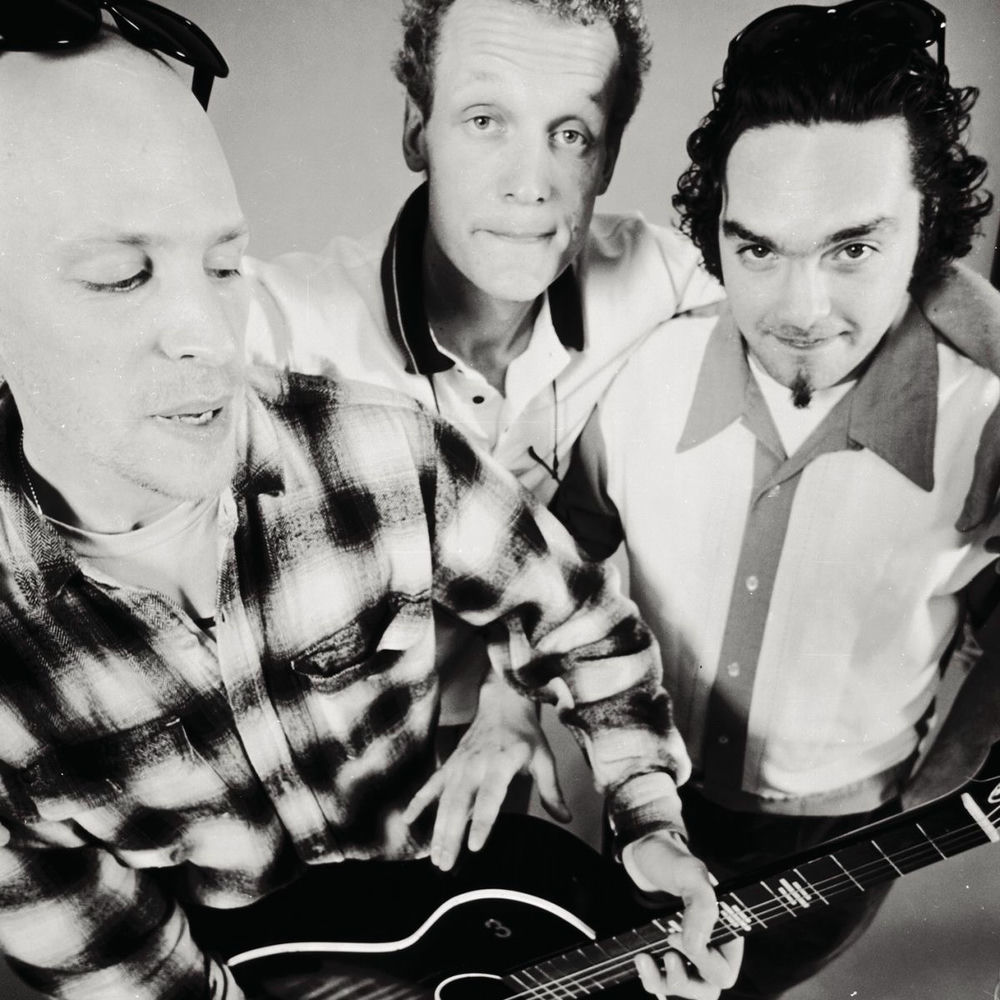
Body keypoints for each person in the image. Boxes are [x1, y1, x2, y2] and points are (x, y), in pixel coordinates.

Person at [0, 11, 741, 1000]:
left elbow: (582, 617)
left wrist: (646, 815)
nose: (208, 333)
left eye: (222, 264)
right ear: (416, 128)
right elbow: (122, 968)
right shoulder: (302, 321)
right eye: (120, 275)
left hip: (454, 887)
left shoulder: (392, 446)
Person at [552, 1, 1000, 997]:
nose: (800, 311)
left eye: (853, 248)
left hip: (842, 832)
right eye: (758, 249)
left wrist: (950, 777)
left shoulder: (988, 425)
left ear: (928, 229)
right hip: (639, 797)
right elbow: (548, 569)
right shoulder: (634, 376)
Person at [241, 0, 726, 858]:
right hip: (302, 785)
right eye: (485, 120)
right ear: (416, 130)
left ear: (609, 157)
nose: (530, 182)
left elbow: (815, 295)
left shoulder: (656, 280)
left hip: (493, 750)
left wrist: (512, 696)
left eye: (570, 134)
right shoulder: (284, 330)